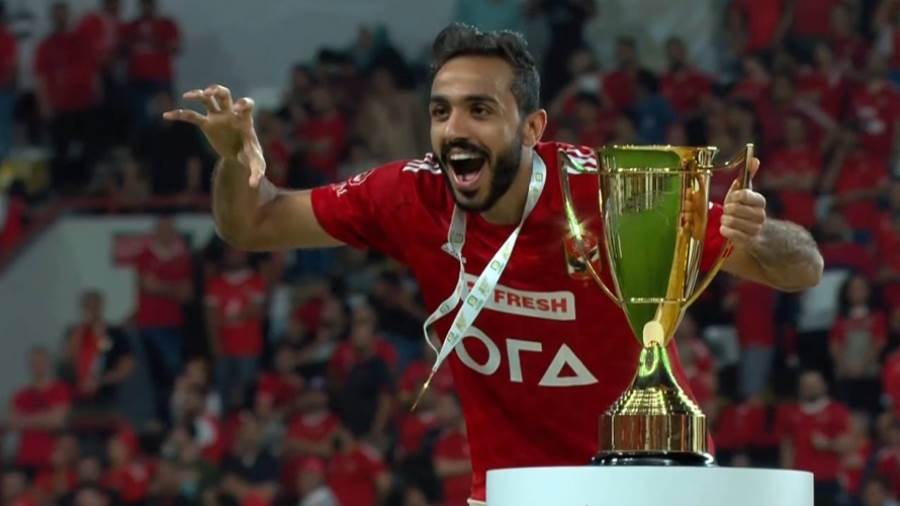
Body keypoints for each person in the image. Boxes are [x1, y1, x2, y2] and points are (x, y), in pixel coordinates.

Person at [165, 23, 824, 506]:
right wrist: (234, 161)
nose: (455, 128)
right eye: (442, 111)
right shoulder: (409, 195)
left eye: (480, 110)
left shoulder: (611, 194)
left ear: (532, 127)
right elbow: (252, 223)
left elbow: (803, 267)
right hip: (510, 494)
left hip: (640, 485)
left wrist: (757, 233)